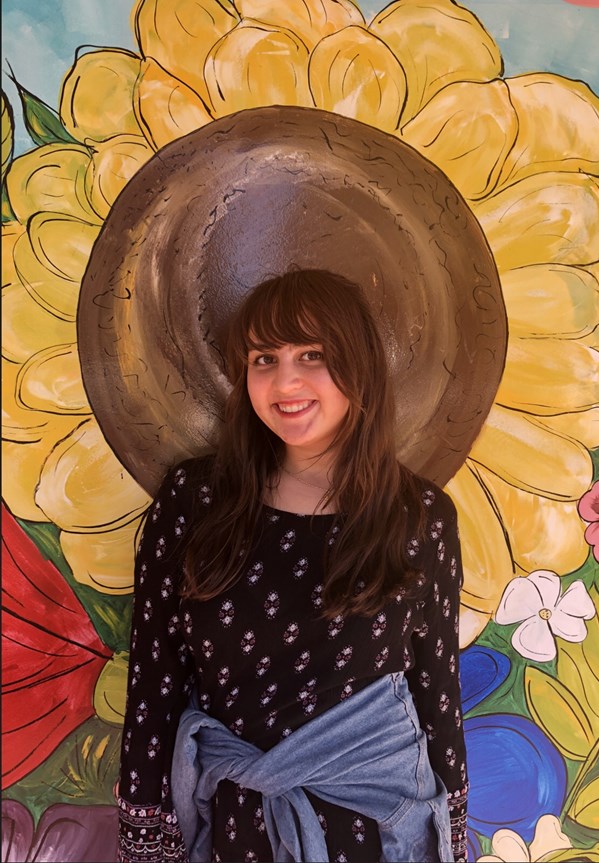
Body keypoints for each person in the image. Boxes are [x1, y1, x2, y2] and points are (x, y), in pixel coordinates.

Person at [117, 269, 468, 863]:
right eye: (263, 358)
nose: (286, 381)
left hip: (377, 832)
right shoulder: (194, 502)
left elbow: (435, 688)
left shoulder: (419, 515)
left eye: (313, 354)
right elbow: (156, 681)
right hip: (236, 828)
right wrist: (147, 845)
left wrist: (453, 841)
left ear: (360, 366)